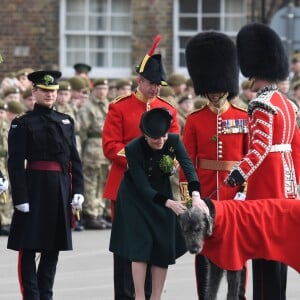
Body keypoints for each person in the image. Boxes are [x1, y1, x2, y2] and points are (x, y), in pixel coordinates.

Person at [102, 35, 180, 300]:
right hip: (126, 184)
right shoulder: (120, 107)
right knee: (127, 245)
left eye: (159, 85)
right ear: (140, 81)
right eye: (151, 84)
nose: (156, 89)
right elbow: (111, 146)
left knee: (155, 243)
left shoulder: (167, 110)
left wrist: (168, 162)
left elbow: (174, 146)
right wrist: (139, 159)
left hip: (157, 187)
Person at [226, 23, 300, 300]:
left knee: (264, 248)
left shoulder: (261, 103)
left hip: (266, 183)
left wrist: (237, 174)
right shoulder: (288, 103)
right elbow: (296, 147)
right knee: (280, 249)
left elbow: (259, 148)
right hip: (287, 184)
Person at [109, 108, 205, 300]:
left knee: (163, 244)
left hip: (162, 191)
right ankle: (139, 296)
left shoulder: (173, 141)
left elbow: (188, 166)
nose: (160, 142)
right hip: (134, 198)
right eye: (155, 139)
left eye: (163, 137)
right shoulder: (133, 148)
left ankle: (156, 296)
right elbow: (142, 186)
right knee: (140, 246)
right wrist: (169, 203)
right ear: (145, 135)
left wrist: (195, 195)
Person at [7, 70, 84, 300]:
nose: (49, 95)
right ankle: (31, 296)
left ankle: (46, 295)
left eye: (53, 91)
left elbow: (74, 160)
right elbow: (15, 163)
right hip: (33, 188)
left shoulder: (66, 121)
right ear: (35, 92)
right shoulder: (22, 123)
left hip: (59, 188)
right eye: (44, 91)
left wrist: (78, 190)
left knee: (53, 248)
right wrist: (20, 197)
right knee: (28, 248)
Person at [183, 31, 249, 299]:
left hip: (234, 196)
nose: (214, 93)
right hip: (206, 192)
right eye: (209, 88)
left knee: (237, 249)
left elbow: (250, 159)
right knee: (203, 248)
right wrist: (190, 197)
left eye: (218, 88)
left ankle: (239, 295)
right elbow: (186, 162)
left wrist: (245, 191)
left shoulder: (243, 116)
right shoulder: (196, 119)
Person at [78, 77, 112, 229]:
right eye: (99, 89)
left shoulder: (109, 105)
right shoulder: (88, 107)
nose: (102, 92)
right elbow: (83, 131)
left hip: (106, 148)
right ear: (94, 90)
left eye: (105, 89)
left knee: (102, 182)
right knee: (91, 182)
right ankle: (90, 213)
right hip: (92, 148)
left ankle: (99, 211)